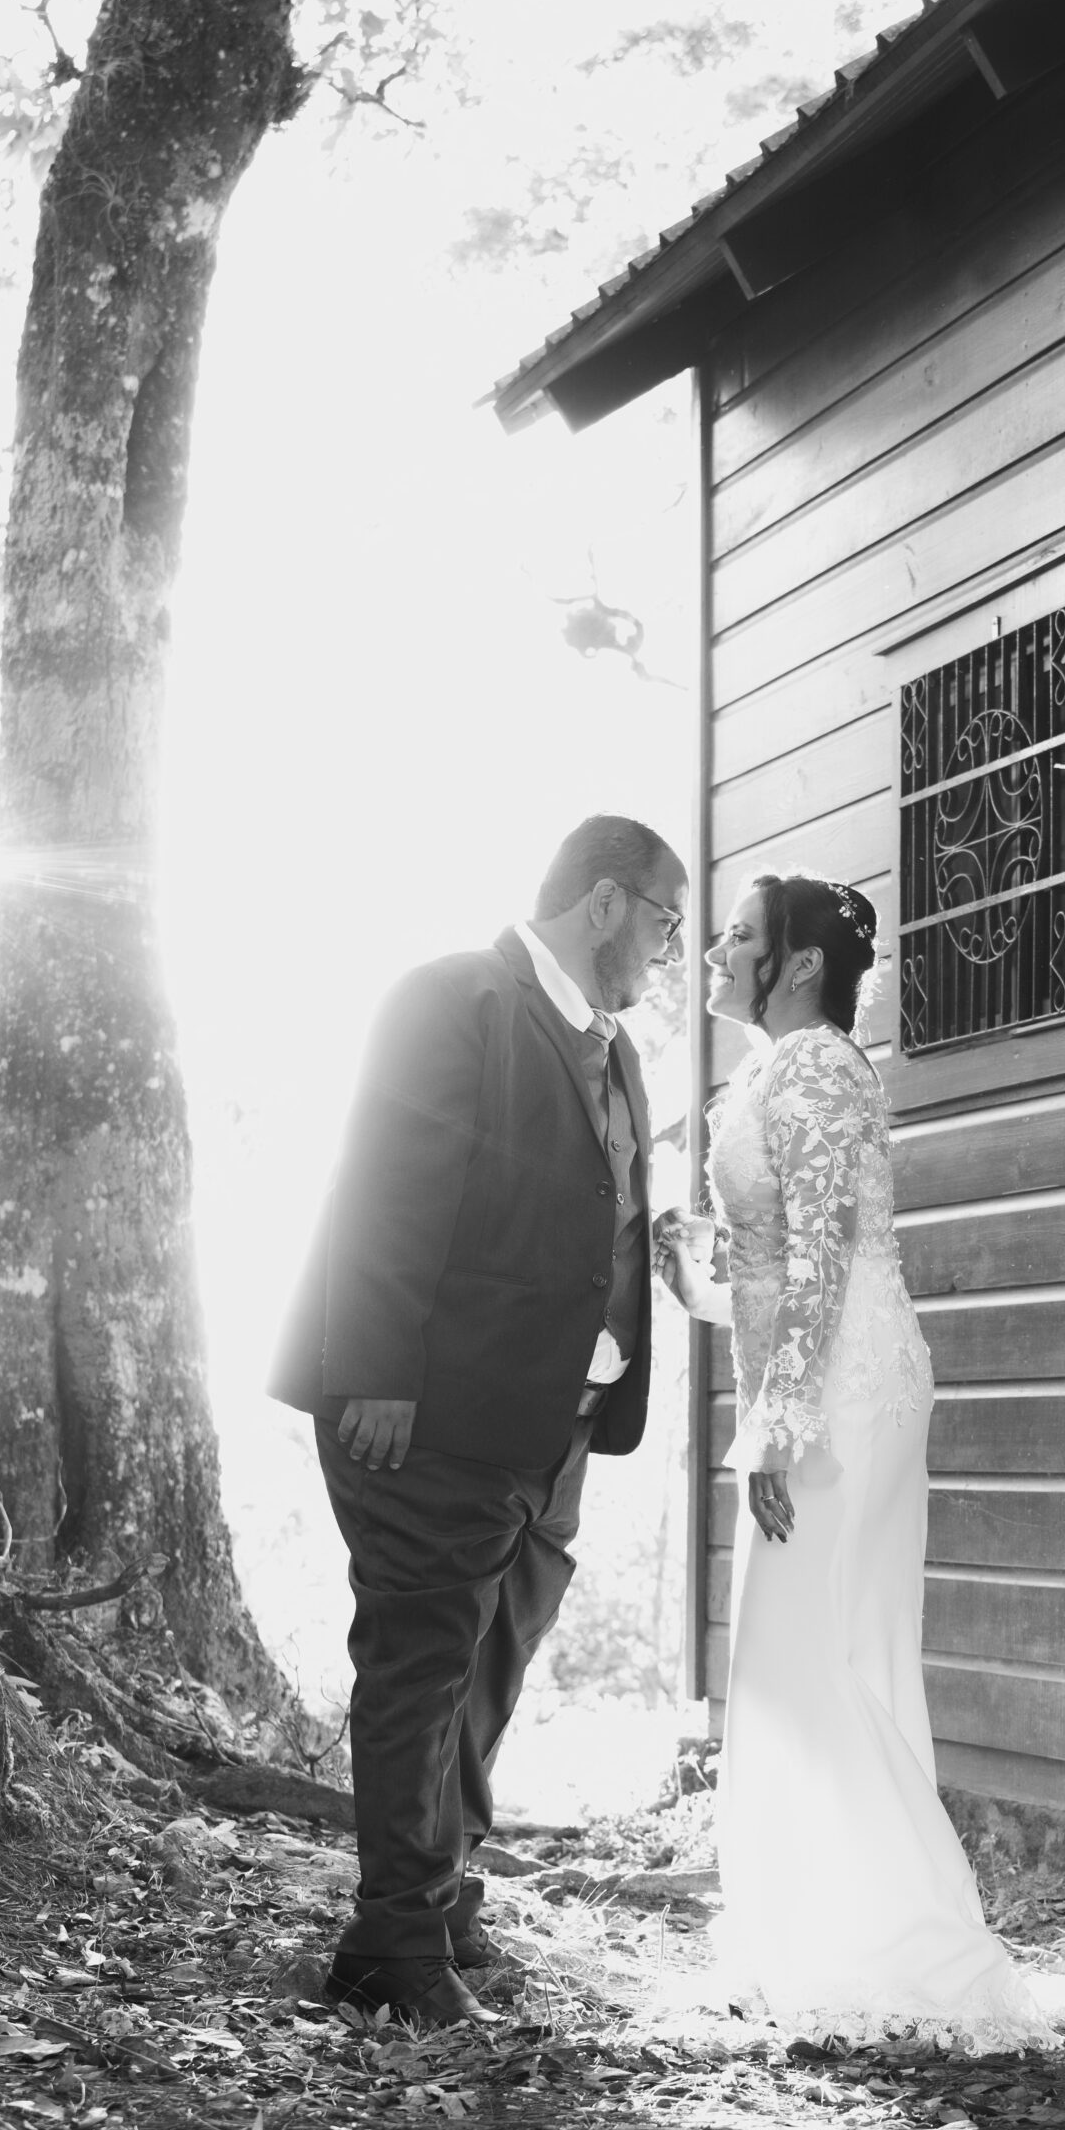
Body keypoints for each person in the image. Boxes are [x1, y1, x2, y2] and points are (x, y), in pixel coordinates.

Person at [659, 870, 1065, 2049]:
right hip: (826, 1375)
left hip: (843, 1396)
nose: (715, 952)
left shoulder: (819, 1073)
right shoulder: (777, 1070)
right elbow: (773, 1269)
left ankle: (907, 1946)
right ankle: (814, 1937)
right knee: (809, 1653)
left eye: (739, 936)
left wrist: (779, 1423)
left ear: (799, 964)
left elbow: (822, 1264)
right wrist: (692, 1282)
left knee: (812, 1656)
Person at [270, 814, 686, 2027]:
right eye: (664, 921)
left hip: (556, 1424)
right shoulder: (455, 997)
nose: (669, 951)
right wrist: (377, 1372)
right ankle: (391, 1949)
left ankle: (439, 1894)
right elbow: (386, 1189)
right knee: (421, 1661)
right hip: (432, 1409)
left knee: (490, 1660)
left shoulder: (617, 1047)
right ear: (604, 901)